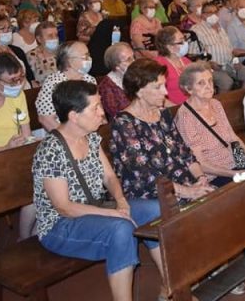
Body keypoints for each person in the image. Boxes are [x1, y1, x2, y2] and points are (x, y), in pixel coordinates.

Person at [33, 80, 166, 301]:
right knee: (121, 229)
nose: (102, 113)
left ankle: (168, 286)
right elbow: (64, 207)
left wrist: (121, 200)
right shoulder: (51, 150)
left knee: (155, 210)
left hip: (96, 208)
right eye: (95, 108)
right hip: (60, 226)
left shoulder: (91, 138)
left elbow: (110, 177)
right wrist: (112, 213)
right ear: (74, 116)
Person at [110, 59, 215, 200]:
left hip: (187, 182)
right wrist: (188, 191)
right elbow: (144, 174)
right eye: (158, 87)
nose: (165, 92)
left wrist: (201, 178)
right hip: (155, 192)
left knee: (221, 198)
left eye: (164, 85)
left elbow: (185, 153)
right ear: (139, 91)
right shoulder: (124, 123)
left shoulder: (164, 114)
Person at [175, 62, 245, 185]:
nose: (208, 86)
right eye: (201, 83)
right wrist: (235, 174)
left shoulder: (215, 104)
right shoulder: (185, 116)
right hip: (216, 175)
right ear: (189, 89)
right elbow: (199, 163)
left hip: (236, 163)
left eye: (210, 81)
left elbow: (232, 138)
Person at [191, 2, 245, 92]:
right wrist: (209, 64)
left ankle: (240, 99)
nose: (214, 15)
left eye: (215, 12)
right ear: (203, 15)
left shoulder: (220, 28)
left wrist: (235, 61)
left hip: (229, 64)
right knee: (226, 82)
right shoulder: (196, 30)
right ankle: (219, 101)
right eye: (210, 12)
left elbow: (230, 49)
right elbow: (192, 55)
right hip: (211, 68)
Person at [36, 41, 97, 130]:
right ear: (69, 61)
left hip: (89, 130)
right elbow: (45, 119)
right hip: (64, 132)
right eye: (85, 57)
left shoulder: (90, 80)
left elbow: (97, 109)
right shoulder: (53, 83)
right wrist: (69, 135)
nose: (89, 59)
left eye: (89, 55)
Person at [153, 26, 192, 106]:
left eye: (184, 39)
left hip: (192, 105)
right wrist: (177, 109)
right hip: (173, 108)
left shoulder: (186, 60)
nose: (185, 43)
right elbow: (155, 95)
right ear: (169, 47)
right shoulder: (158, 65)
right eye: (181, 41)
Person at [98, 43, 134, 121]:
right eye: (129, 59)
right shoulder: (106, 87)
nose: (134, 61)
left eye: (133, 57)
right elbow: (117, 115)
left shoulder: (136, 76)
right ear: (116, 65)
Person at [26, 22, 60, 86]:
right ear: (39, 39)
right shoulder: (31, 56)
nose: (55, 38)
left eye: (56, 35)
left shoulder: (63, 52)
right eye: (50, 36)